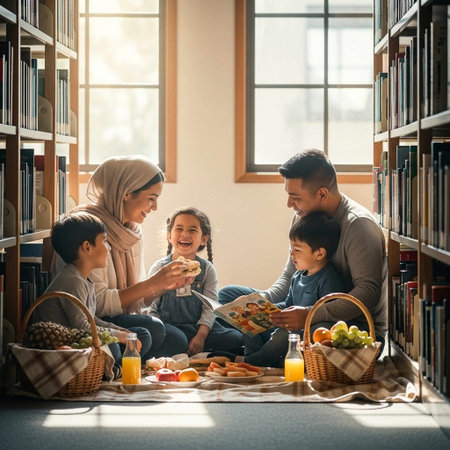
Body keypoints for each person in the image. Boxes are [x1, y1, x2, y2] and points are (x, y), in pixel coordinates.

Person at [219, 149, 388, 350]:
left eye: (295, 197)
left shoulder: (358, 225)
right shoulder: (303, 217)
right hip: (305, 307)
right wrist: (264, 300)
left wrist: (309, 314)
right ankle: (267, 347)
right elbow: (290, 275)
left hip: (346, 324)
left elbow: (368, 293)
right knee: (228, 295)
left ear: (322, 194)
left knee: (305, 333)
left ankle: (262, 348)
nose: (289, 204)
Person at [52, 156, 194, 358]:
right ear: (126, 193)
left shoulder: (132, 231)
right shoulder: (89, 231)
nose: (154, 208)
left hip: (113, 320)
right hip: (92, 321)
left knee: (176, 338)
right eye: (151, 198)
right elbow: (97, 306)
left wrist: (162, 285)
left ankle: (124, 356)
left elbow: (138, 298)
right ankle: (119, 359)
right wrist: (152, 282)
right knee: (152, 331)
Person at [34, 213, 151, 378]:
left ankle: (113, 368)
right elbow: (81, 327)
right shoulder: (71, 281)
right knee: (115, 347)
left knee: (140, 334)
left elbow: (92, 319)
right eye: (104, 241)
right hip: (63, 345)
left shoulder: (84, 279)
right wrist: (118, 336)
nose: (108, 248)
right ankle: (111, 370)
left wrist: (119, 331)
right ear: (87, 248)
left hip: (82, 337)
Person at [235, 211, 345, 367]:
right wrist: (264, 309)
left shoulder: (328, 278)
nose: (291, 254)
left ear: (319, 253)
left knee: (281, 336)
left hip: (305, 335)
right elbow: (287, 304)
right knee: (248, 320)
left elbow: (330, 318)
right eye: (291, 248)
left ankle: (254, 361)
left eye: (297, 250)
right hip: (287, 329)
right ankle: (255, 357)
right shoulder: (298, 276)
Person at [146, 207, 243, 356]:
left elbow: (210, 308)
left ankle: (195, 350)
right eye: (179, 229)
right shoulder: (160, 268)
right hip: (169, 328)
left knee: (236, 338)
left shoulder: (207, 269)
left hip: (199, 328)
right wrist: (159, 331)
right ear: (169, 236)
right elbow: (152, 308)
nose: (185, 234)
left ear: (203, 239)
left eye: (192, 230)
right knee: (177, 340)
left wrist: (201, 337)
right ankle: (197, 352)